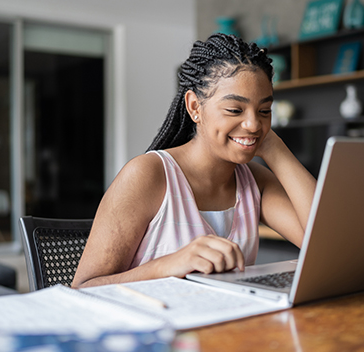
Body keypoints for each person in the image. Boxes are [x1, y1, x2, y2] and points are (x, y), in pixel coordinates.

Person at [72, 33, 316, 288]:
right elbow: (83, 288)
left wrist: (275, 148)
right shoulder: (148, 175)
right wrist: (169, 265)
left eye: (264, 111)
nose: (254, 124)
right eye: (235, 109)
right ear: (194, 107)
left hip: (229, 325)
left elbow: (324, 243)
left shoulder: (254, 180)